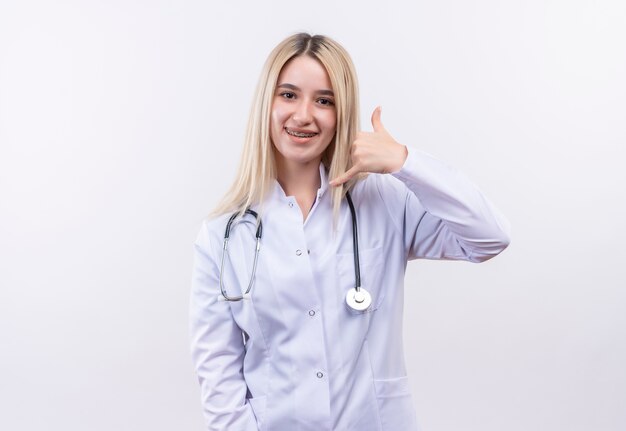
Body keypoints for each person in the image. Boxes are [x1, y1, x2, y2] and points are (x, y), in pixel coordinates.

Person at [189, 33, 510, 431]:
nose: (304, 115)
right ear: (266, 104)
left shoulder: (387, 202)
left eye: (324, 100)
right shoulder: (222, 234)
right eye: (288, 95)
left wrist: (404, 161)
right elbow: (219, 375)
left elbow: (490, 236)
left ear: (341, 113)